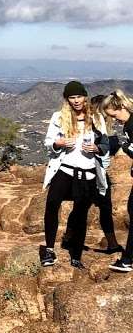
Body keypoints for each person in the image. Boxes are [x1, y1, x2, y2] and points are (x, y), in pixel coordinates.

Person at [41, 81, 107, 268]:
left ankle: (76, 254)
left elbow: (105, 145)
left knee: (80, 213)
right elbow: (49, 142)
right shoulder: (59, 117)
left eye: (79, 96)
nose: (76, 101)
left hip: (87, 173)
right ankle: (49, 249)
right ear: (67, 99)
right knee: (52, 204)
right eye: (72, 97)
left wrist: (96, 148)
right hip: (65, 169)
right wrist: (59, 143)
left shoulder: (96, 118)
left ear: (85, 97)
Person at [60, 95, 123, 254]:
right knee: (89, 206)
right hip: (90, 173)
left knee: (89, 207)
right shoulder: (94, 129)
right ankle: (111, 243)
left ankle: (69, 238)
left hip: (98, 173)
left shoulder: (101, 129)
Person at [100, 89, 133, 272]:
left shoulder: (131, 125)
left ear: (120, 106)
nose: (115, 120)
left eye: (114, 115)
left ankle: (128, 260)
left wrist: (127, 148)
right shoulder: (129, 124)